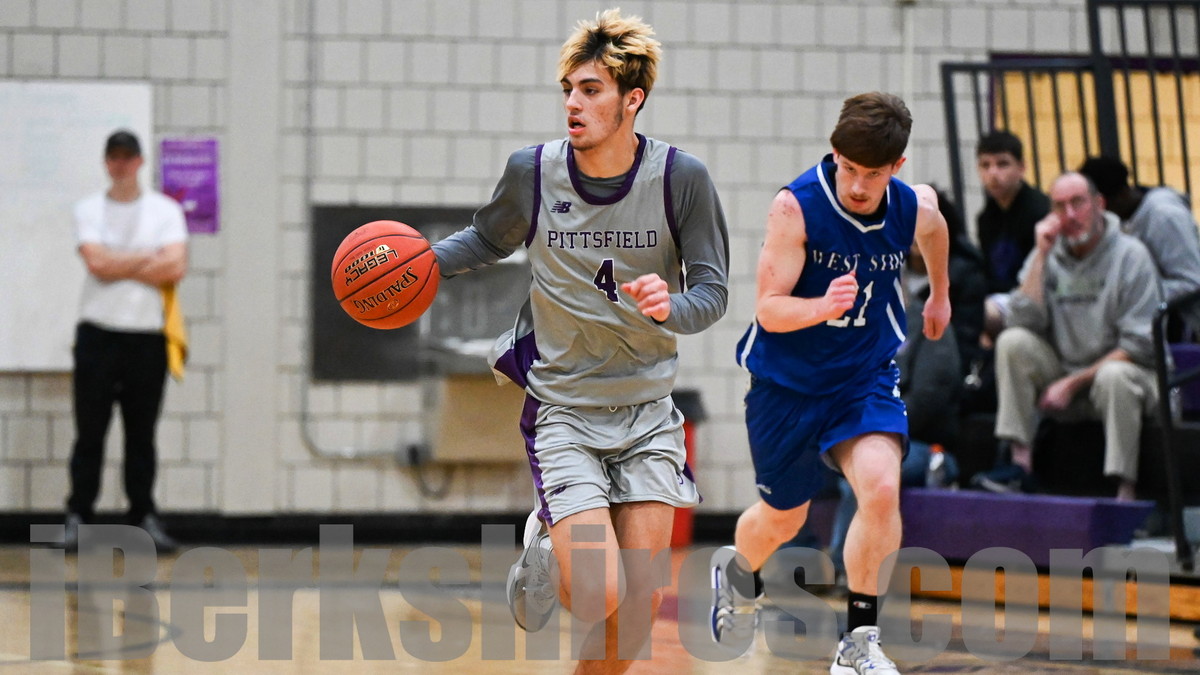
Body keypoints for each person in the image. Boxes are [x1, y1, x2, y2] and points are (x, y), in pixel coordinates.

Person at [429, 9, 729, 674]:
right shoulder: (533, 172)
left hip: (647, 411)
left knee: (642, 603)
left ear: (632, 99)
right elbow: (485, 239)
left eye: (591, 90)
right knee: (598, 594)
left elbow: (712, 293)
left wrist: (672, 305)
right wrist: (421, 265)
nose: (573, 103)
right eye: (568, 89)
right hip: (565, 408)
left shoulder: (682, 179)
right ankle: (546, 535)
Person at [716, 92, 951, 675]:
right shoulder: (794, 208)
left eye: (873, 174)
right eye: (848, 169)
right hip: (787, 384)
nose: (858, 186)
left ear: (896, 167)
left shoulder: (909, 204)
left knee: (881, 487)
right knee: (784, 518)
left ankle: (860, 640)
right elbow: (769, 309)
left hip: (862, 377)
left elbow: (935, 227)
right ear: (834, 154)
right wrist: (823, 305)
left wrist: (940, 294)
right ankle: (736, 572)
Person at [978, 172, 1160, 501]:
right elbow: (1021, 319)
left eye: (1078, 203)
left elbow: (1140, 345)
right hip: (1064, 369)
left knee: (1115, 376)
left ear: (1099, 204)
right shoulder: (1048, 252)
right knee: (1013, 342)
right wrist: (1040, 255)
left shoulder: (1132, 256)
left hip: (1132, 376)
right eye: (1060, 207)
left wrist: (1072, 384)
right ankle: (1019, 467)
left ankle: (1125, 491)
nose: (1070, 215)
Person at [63, 130, 188, 552]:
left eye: (128, 157)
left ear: (139, 162)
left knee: (141, 435)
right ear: (106, 162)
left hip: (147, 338)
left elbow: (175, 268)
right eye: (114, 157)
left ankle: (143, 517)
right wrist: (148, 257)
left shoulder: (165, 211)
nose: (121, 164)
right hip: (98, 334)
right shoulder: (88, 209)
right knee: (90, 432)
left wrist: (116, 261)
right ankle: (79, 516)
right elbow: (96, 264)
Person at [1078, 155, 1200, 334]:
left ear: (1121, 195)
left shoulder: (1164, 216)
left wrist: (1136, 293)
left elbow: (1192, 282)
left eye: (1102, 208)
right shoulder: (1127, 218)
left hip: (1186, 323)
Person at [975, 130, 1050, 340]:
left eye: (1002, 164)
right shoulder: (986, 217)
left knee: (978, 312)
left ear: (1022, 168)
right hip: (1000, 296)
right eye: (985, 165)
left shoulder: (1039, 211)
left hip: (1034, 298)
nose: (993, 173)